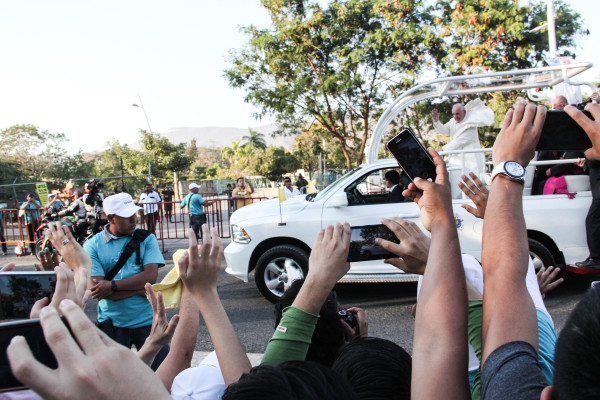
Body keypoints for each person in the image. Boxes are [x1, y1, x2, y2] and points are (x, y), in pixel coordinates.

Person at [83, 192, 169, 370]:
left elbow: (150, 277)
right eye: (126, 216)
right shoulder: (92, 245)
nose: (133, 220)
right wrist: (139, 289)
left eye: (134, 214)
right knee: (116, 378)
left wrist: (112, 285)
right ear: (110, 218)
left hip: (148, 321)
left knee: (164, 373)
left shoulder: (146, 238)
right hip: (112, 324)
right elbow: (99, 290)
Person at [432, 99, 494, 198]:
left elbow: (457, 143)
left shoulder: (471, 126)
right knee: (458, 191)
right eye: (453, 114)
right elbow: (444, 130)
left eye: (457, 114)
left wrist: (439, 151)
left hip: (471, 164)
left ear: (464, 112)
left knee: (472, 191)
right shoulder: (453, 121)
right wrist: (436, 120)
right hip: (457, 164)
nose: (455, 117)